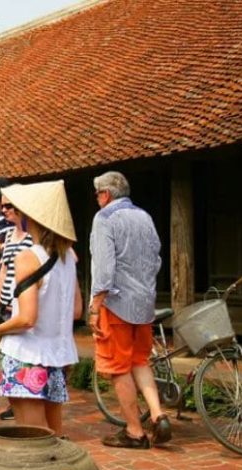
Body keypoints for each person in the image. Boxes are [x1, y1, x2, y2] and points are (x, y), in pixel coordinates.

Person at [0, 181, 82, 436]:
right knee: (55, 436)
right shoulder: (68, 257)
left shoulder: (28, 257)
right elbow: (76, 311)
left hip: (27, 354)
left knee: (33, 438)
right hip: (55, 356)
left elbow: (27, 319)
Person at [90, 171, 169, 449]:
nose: (97, 200)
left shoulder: (105, 218)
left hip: (116, 303)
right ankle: (158, 414)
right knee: (140, 361)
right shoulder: (144, 216)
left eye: (97, 194)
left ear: (106, 194)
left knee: (119, 367)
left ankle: (135, 431)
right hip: (144, 302)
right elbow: (156, 258)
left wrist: (95, 306)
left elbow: (103, 267)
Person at [0, 192, 34, 420]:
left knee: (21, 355)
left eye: (8, 206)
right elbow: (3, 271)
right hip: (7, 303)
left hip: (22, 303)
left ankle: (24, 403)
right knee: (8, 354)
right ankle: (14, 402)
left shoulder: (32, 237)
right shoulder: (8, 235)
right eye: (3, 206)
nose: (3, 210)